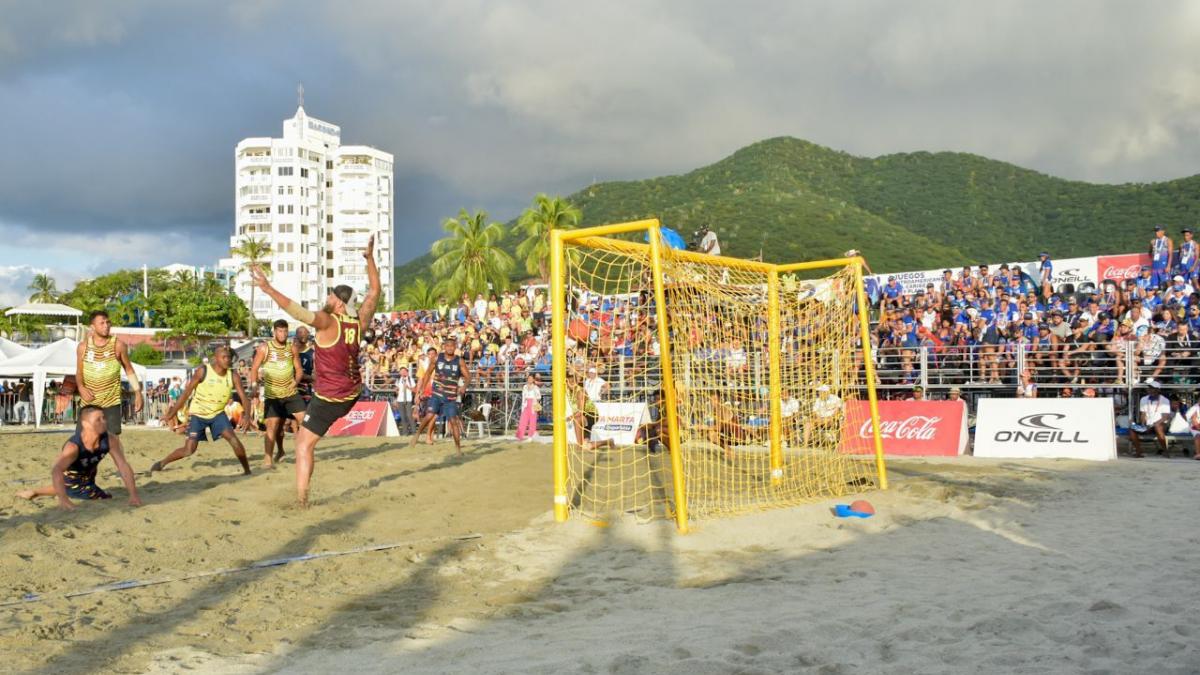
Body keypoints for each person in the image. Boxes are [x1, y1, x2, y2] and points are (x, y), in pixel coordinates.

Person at [251, 235, 381, 505]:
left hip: (330, 396)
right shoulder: (359, 322)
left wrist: (268, 289)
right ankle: (300, 493)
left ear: (339, 303)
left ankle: (301, 500)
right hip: (352, 392)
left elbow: (297, 312)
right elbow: (374, 291)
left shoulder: (328, 321)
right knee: (304, 437)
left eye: (331, 295)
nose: (327, 297)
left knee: (303, 444)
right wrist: (370, 259)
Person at [15, 407, 142, 509]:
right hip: (70, 476)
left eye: (104, 418)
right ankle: (37, 492)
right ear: (85, 424)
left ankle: (34, 492)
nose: (103, 421)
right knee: (100, 496)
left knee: (77, 487)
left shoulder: (110, 439)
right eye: (98, 420)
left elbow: (123, 466)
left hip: (88, 476)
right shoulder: (73, 446)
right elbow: (56, 470)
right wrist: (63, 500)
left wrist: (134, 495)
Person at [151, 346, 252, 474]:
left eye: (228, 357)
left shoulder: (233, 376)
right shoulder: (203, 371)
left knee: (234, 440)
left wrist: (247, 416)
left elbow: (244, 398)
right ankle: (162, 463)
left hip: (217, 414)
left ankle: (247, 471)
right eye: (224, 357)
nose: (227, 360)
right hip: (198, 414)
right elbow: (186, 394)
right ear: (215, 358)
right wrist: (171, 414)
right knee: (189, 450)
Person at [75, 310, 143, 462]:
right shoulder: (83, 347)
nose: (106, 325)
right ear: (92, 327)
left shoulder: (118, 345)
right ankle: (79, 469)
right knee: (82, 438)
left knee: (113, 440)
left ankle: (122, 467)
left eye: (108, 322)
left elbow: (129, 369)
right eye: (102, 323)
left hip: (111, 401)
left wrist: (138, 392)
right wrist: (81, 387)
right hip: (89, 402)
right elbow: (79, 372)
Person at [249, 319, 306, 469]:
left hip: (290, 392)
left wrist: (295, 381)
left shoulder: (292, 348)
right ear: (274, 332)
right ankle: (269, 458)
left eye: (285, 331)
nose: (283, 334)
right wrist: (254, 386)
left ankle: (304, 453)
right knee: (273, 426)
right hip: (272, 394)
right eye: (280, 331)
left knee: (305, 421)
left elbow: (299, 369)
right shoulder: (264, 348)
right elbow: (254, 369)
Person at [413, 336, 471, 454]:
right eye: (447, 346)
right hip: (437, 394)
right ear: (444, 347)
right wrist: (422, 389)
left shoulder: (459, 361)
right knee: (429, 415)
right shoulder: (437, 358)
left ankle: (458, 449)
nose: (450, 348)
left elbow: (468, 376)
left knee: (453, 421)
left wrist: (464, 386)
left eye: (452, 346)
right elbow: (427, 373)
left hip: (451, 397)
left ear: (455, 347)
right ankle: (418, 434)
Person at [1128, 379, 1171, 458]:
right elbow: (1143, 414)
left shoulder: (1165, 400)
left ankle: (1165, 451)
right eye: (1149, 388)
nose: (1150, 390)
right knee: (1132, 429)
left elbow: (1165, 417)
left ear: (1158, 390)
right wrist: (1143, 424)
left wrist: (1155, 424)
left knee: (1158, 427)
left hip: (1161, 424)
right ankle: (1139, 452)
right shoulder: (1143, 399)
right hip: (1148, 424)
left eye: (1152, 388)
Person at [393, 365, 417, 435]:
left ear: (407, 372)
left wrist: (408, 387)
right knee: (402, 416)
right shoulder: (398, 380)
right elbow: (397, 391)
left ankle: (414, 431)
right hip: (400, 400)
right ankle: (405, 432)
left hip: (408, 399)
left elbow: (415, 390)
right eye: (401, 371)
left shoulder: (410, 379)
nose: (403, 372)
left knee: (409, 416)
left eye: (404, 371)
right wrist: (396, 391)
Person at [517, 373, 541, 441]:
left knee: (532, 421)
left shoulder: (536, 387)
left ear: (533, 380)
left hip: (533, 404)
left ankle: (530, 436)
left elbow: (539, 397)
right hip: (526, 404)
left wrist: (535, 402)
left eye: (531, 379)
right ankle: (520, 436)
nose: (530, 380)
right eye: (529, 378)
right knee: (522, 420)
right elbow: (523, 396)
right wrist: (523, 404)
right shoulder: (525, 387)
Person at [1186, 394, 1200, 460]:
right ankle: (1198, 454)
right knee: (1198, 436)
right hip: (1195, 427)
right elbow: (1194, 422)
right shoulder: (1194, 408)